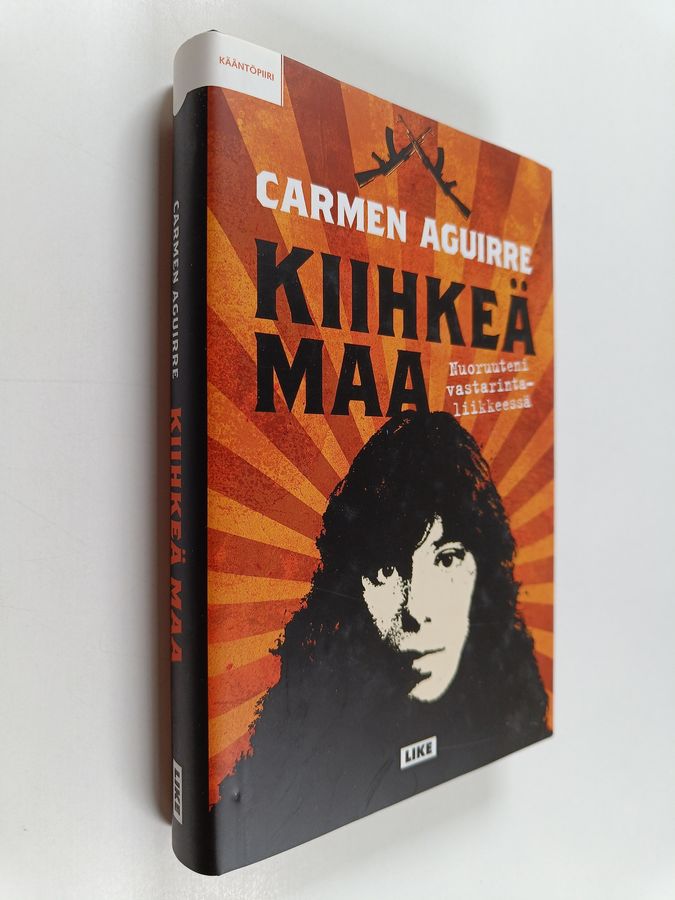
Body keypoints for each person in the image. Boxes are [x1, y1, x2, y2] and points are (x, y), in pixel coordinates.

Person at [211, 411, 550, 869]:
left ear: (485, 569)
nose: (415, 611)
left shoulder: (516, 723)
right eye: (387, 570)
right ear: (353, 587)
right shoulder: (283, 782)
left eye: (446, 560)